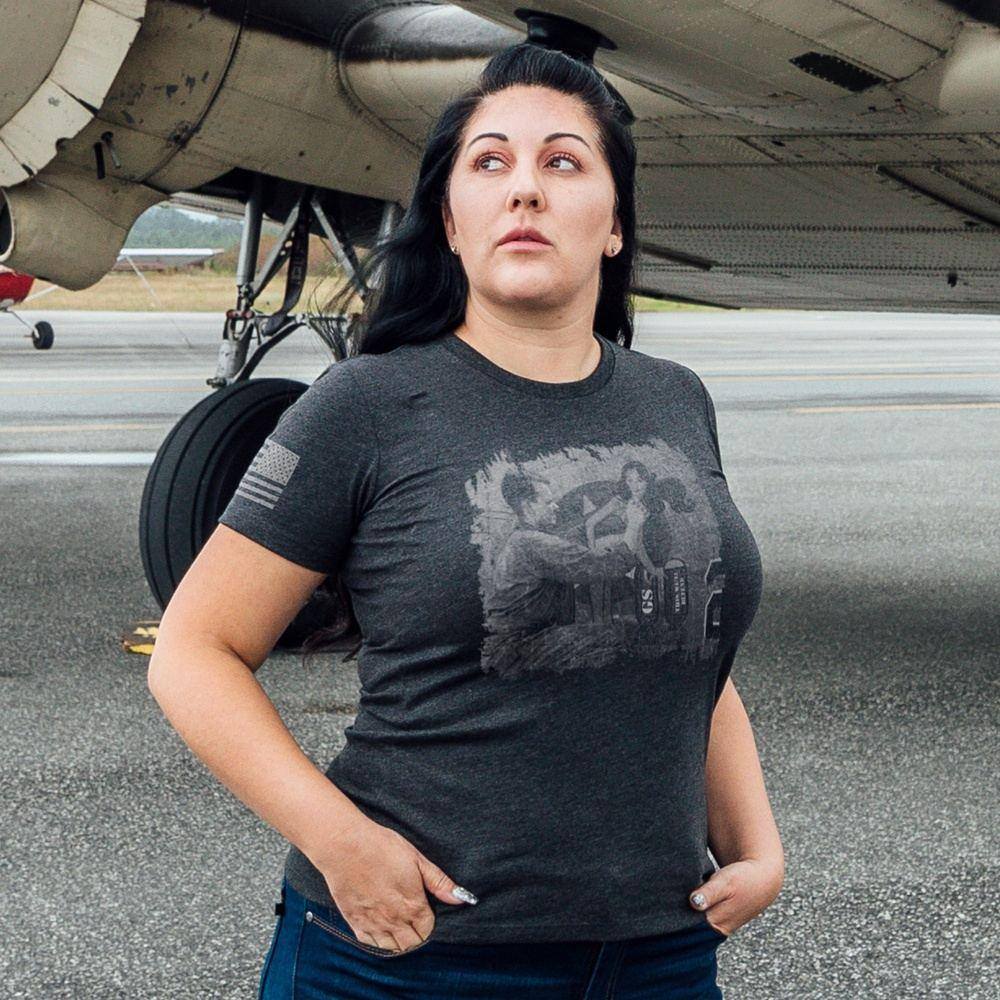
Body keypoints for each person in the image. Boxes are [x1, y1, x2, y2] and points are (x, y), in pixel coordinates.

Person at [147, 41, 784, 1000]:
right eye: (490, 163)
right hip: (413, 954)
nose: (525, 188)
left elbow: (683, 641)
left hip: (656, 953)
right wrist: (341, 842)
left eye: (563, 162)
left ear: (615, 224)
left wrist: (757, 843)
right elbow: (194, 651)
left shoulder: (674, 399)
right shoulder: (365, 405)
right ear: (450, 222)